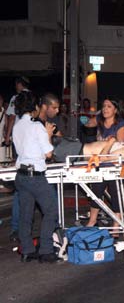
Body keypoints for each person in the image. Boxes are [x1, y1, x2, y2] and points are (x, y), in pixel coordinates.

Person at [13, 91, 60, 263]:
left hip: (22, 176)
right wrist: (48, 133)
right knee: (51, 211)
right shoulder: (36, 126)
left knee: (26, 215)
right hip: (35, 177)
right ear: (35, 107)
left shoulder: (17, 126)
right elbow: (48, 153)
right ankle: (46, 250)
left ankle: (27, 250)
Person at [83, 99, 124, 230]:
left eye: (109, 106)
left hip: (114, 161)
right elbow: (88, 124)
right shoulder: (99, 119)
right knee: (96, 188)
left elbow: (120, 147)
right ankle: (92, 221)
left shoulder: (121, 124)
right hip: (100, 160)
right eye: (103, 106)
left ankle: (116, 224)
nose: (105, 109)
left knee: (115, 190)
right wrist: (86, 122)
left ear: (115, 109)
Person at [6, 76, 31, 242]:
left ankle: (16, 228)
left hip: (20, 141)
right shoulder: (34, 97)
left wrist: (7, 136)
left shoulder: (16, 98)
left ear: (19, 85)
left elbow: (12, 117)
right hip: (33, 146)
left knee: (20, 186)